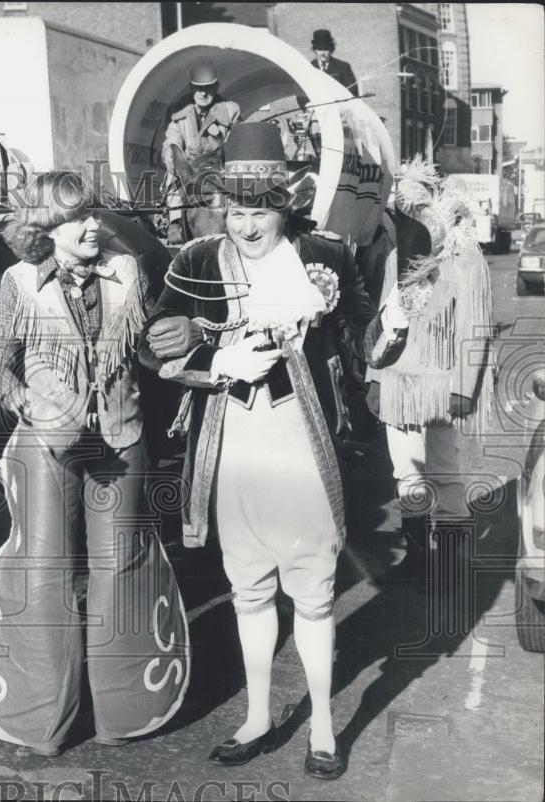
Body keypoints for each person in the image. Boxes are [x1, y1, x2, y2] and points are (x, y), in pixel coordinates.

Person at [139, 123, 408, 780]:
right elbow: (155, 349)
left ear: (284, 206)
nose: (246, 225)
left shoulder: (328, 254)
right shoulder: (196, 261)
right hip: (231, 447)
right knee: (248, 589)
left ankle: (321, 725)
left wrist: (390, 332)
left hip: (301, 445)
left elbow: (362, 336)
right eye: (235, 210)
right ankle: (258, 715)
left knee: (314, 594)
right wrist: (212, 357)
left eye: (258, 210)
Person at [0, 171, 190, 756]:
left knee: (121, 569)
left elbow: (143, 348)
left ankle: (122, 712)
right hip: (48, 445)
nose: (91, 226)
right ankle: (42, 721)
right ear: (43, 227)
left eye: (93, 214)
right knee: (45, 572)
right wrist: (25, 400)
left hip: (120, 438)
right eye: (74, 218)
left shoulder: (128, 273)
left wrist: (185, 345)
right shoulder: (16, 283)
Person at [369, 159, 494, 590]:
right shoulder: (395, 258)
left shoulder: (466, 259)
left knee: (441, 469)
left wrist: (464, 388)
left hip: (441, 384)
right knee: (405, 471)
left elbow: (474, 327)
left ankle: (454, 559)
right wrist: (373, 379)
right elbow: (385, 324)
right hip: (399, 383)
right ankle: (419, 556)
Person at [162, 63, 241, 244]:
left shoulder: (229, 112)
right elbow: (170, 144)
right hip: (192, 170)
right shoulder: (179, 117)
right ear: (192, 89)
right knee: (174, 173)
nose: (203, 94)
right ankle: (174, 222)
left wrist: (220, 139)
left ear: (216, 88)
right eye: (198, 89)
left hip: (220, 168)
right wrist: (182, 155)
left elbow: (238, 142)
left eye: (208, 89)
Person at [310, 29, 359, 97]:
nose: (323, 53)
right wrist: (307, 104)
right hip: (313, 106)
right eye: (319, 49)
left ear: (331, 50)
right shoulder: (308, 67)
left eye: (326, 49)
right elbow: (301, 93)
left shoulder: (344, 67)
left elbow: (352, 91)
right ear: (314, 50)